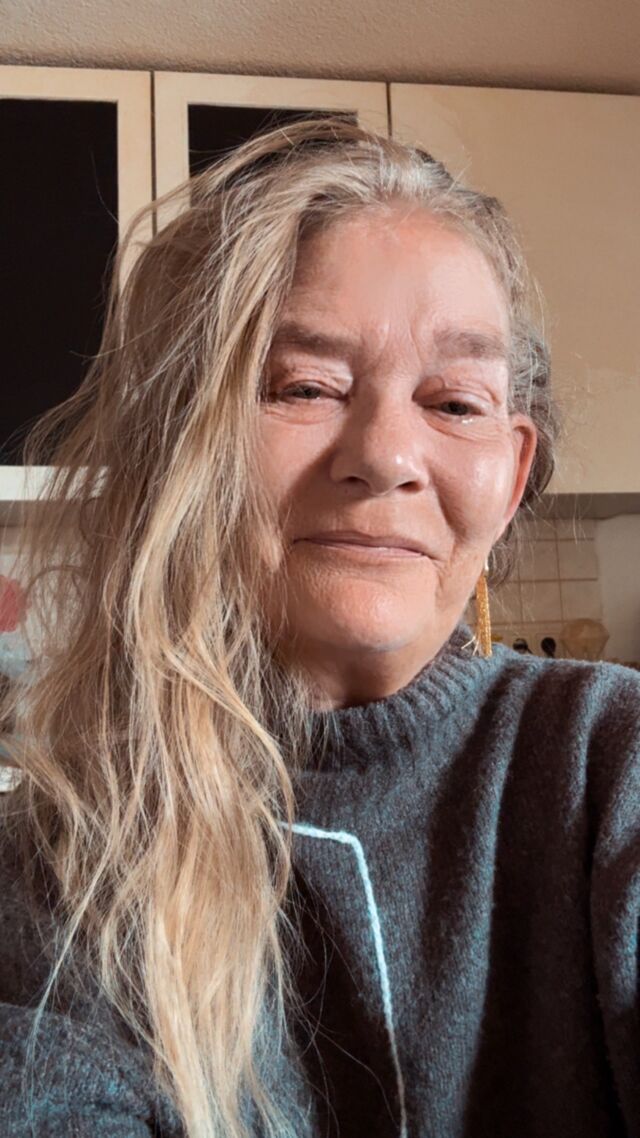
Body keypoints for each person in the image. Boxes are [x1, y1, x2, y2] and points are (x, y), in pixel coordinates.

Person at [0, 114, 639, 1138]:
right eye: (305, 386)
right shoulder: (59, 859)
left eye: (455, 403)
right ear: (181, 443)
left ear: (513, 471)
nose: (385, 455)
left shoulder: (612, 763)